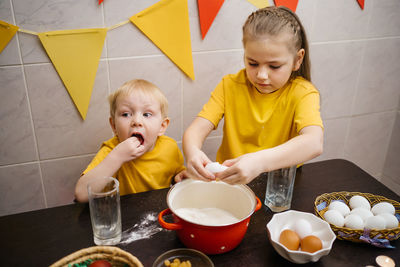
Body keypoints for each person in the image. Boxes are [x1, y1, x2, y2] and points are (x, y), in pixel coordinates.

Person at [183, 6, 323, 185]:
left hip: (279, 187)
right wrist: (193, 152)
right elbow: (195, 130)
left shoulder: (303, 93)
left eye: (274, 66)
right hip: (231, 182)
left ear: (298, 59)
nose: (261, 75)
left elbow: (314, 142)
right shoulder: (230, 85)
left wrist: (259, 162)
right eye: (253, 63)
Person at [75, 79, 187, 202]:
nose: (137, 121)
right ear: (114, 126)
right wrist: (117, 157)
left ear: (162, 126)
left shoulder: (169, 148)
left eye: (147, 114)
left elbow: (177, 174)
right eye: (126, 114)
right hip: (126, 216)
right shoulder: (112, 150)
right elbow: (81, 194)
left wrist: (180, 177)